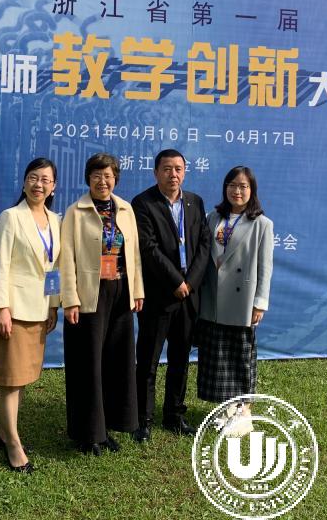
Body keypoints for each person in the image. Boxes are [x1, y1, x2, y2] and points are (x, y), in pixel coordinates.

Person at [59, 152, 144, 455]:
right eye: (97, 175)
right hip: (88, 294)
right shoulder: (75, 212)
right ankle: (88, 434)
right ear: (88, 179)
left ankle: (107, 428)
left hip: (120, 291)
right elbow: (66, 259)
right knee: (88, 365)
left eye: (108, 176)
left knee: (116, 361)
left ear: (115, 179)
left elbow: (134, 254)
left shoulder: (126, 209)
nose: (102, 181)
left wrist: (137, 291)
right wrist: (70, 299)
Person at [131, 149, 210, 441]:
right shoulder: (143, 203)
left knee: (180, 358)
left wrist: (190, 283)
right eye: (166, 169)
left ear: (184, 172)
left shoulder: (195, 202)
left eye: (178, 168)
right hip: (159, 295)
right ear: (156, 173)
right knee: (148, 360)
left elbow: (204, 246)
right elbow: (148, 247)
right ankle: (143, 419)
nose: (172, 174)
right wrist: (176, 281)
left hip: (188, 296)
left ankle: (174, 415)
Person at [0, 157, 61, 473]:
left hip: (40, 309)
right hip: (15, 310)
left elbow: (55, 267)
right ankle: (14, 446)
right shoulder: (10, 217)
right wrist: (1, 307)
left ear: (53, 186)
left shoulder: (55, 220)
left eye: (45, 179)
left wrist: (54, 305)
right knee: (11, 379)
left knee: (23, 378)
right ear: (23, 182)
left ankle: (2, 432)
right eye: (33, 178)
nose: (38, 184)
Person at [197, 166, 273, 405]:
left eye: (243, 186)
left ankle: (243, 409)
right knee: (215, 358)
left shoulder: (262, 224)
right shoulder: (212, 217)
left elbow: (265, 267)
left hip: (242, 301)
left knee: (240, 357)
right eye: (232, 185)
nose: (237, 191)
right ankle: (222, 409)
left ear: (252, 190)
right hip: (212, 298)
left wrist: (259, 303)